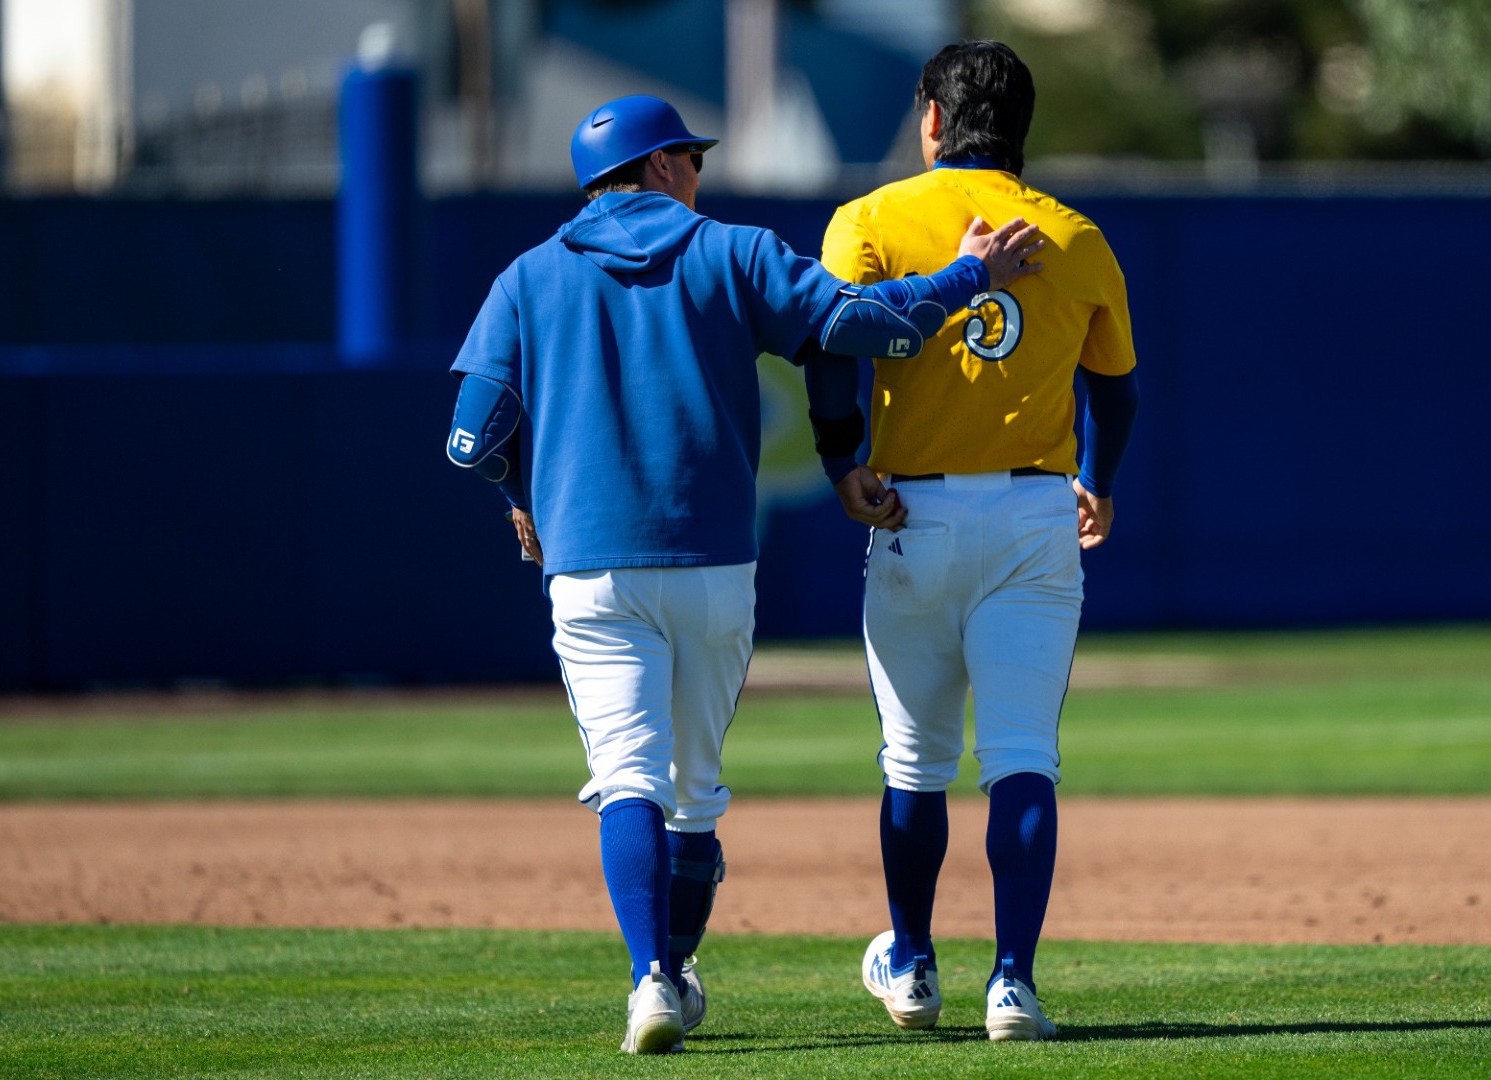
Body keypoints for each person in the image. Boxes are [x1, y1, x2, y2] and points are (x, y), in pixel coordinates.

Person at [443, 94, 1042, 1055]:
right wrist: (972, 273)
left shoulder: (526, 278)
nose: (699, 175)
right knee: (694, 795)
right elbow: (868, 331)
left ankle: (651, 980)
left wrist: (525, 496)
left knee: (625, 775)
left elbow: (471, 442)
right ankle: (672, 971)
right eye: (694, 158)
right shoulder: (734, 251)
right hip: (711, 559)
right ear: (665, 165)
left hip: (589, 569)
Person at [818, 41, 1141, 1042]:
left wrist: (843, 463)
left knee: (915, 762)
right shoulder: (1075, 236)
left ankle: (912, 965)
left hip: (912, 512)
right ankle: (1013, 984)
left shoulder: (868, 221)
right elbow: (1117, 390)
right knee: (1021, 759)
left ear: (930, 121)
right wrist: (1099, 479)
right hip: (1035, 518)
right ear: (1022, 129)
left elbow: (831, 352)